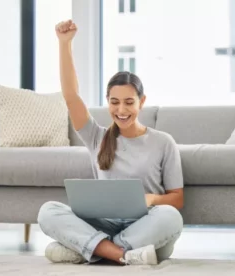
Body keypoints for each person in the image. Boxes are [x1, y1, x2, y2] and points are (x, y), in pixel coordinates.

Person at [37, 19, 184, 266]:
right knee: (48, 211)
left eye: (129, 102)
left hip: (145, 226)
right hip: (104, 222)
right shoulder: (97, 136)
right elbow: (71, 95)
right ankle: (124, 255)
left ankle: (94, 249)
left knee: (170, 217)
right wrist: (64, 45)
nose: (121, 109)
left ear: (141, 101)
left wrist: (152, 199)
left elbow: (177, 199)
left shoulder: (163, 142)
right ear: (107, 101)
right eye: (114, 102)